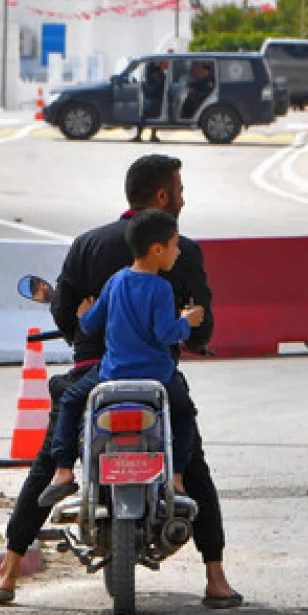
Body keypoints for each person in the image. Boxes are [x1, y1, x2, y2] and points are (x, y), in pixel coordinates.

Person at [0, 154, 242, 610]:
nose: (184, 199)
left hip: (97, 375)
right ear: (162, 197)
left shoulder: (87, 245)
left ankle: (7, 572)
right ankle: (216, 578)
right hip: (157, 381)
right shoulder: (180, 253)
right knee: (192, 459)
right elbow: (200, 330)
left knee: (48, 460)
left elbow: (70, 317)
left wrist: (86, 329)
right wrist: (189, 329)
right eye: (179, 191)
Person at [39, 209, 205, 507]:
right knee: (184, 413)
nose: (178, 252)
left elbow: (90, 326)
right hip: (158, 377)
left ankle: (63, 471)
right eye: (174, 245)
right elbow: (166, 333)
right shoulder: (161, 288)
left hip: (111, 374)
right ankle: (178, 476)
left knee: (72, 401)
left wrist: (83, 314)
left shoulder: (116, 282)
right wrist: (187, 321)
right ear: (157, 250)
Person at [136, 60, 166, 143]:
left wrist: (144, 87)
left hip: (156, 101)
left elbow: (152, 91)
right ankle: (151, 135)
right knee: (146, 111)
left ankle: (140, 135)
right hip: (154, 101)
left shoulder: (159, 79)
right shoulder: (156, 78)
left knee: (144, 113)